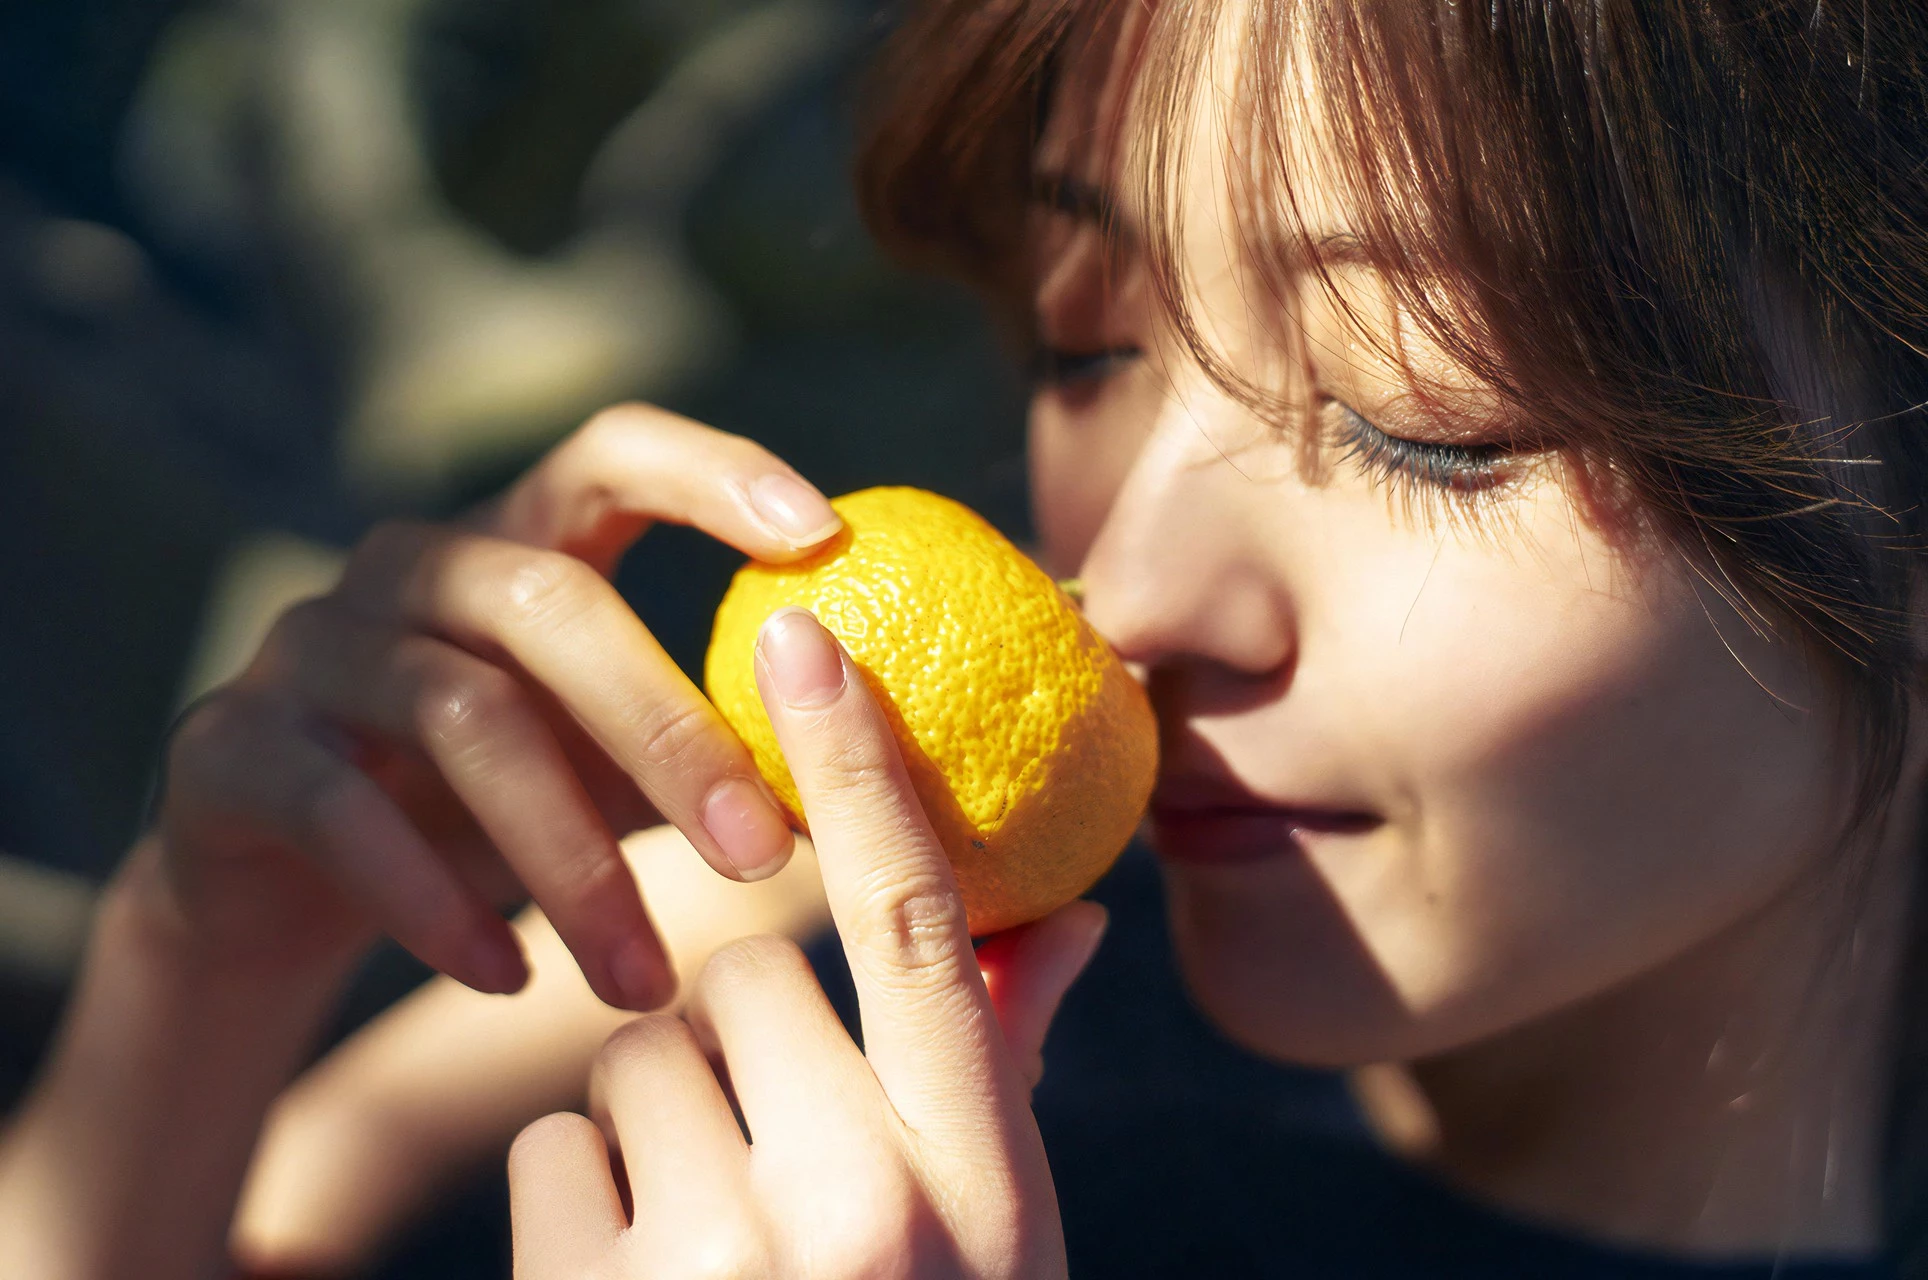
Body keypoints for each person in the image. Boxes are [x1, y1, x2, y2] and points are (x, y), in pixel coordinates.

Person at [10, 0, 1928, 1277]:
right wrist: (204, 975)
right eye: (1090, 342)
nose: (1131, 594)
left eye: (1433, 407)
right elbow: (281, 1215)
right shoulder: (871, 925)